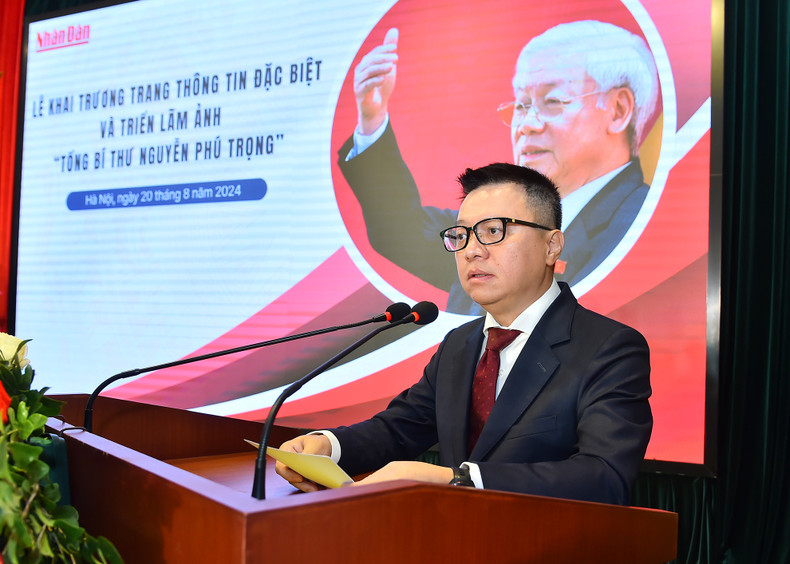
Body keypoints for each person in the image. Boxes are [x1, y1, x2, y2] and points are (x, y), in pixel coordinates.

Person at [276, 162, 652, 505]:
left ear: (551, 245)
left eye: (492, 231)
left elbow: (604, 476)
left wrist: (457, 480)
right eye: (462, 235)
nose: (472, 250)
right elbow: (400, 429)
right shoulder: (461, 344)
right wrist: (328, 445)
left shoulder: (609, 349)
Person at [338, 20, 659, 314]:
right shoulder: (486, 228)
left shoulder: (641, 227)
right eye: (521, 104)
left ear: (618, 111)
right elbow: (401, 231)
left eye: (553, 101)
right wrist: (372, 119)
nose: (527, 124)